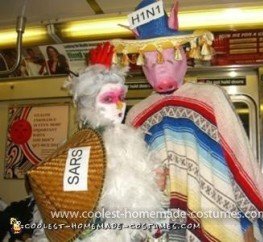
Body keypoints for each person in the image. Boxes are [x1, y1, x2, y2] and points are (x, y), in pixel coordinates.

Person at [111, 0, 263, 241]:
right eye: (150, 60)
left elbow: (236, 158)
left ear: (182, 54)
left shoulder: (209, 98)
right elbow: (134, 177)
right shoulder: (137, 113)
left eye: (166, 56)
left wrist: (247, 225)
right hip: (163, 221)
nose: (159, 67)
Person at [29, 42, 165, 242]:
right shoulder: (81, 151)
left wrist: (155, 185)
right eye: (109, 99)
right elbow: (74, 219)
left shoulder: (128, 139)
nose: (120, 105)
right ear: (89, 105)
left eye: (121, 97)